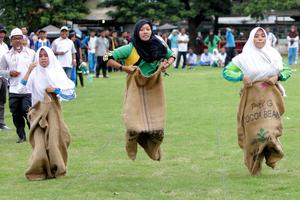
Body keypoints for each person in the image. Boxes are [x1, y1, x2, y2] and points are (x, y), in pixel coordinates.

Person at [222, 27, 291, 176]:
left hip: (270, 98)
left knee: (270, 131)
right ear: (252, 39)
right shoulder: (244, 57)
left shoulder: (273, 55)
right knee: (253, 135)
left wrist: (277, 77)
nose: (260, 38)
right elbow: (227, 71)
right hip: (251, 99)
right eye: (257, 36)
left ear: (266, 38)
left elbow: (286, 71)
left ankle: (272, 155)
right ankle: (254, 164)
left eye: (262, 36)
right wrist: (242, 77)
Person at [105, 19, 175, 161]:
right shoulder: (130, 48)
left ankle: (153, 150)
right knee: (133, 126)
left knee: (157, 129)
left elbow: (172, 55)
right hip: (135, 89)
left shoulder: (158, 44)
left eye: (148, 29)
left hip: (154, 88)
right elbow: (107, 57)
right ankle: (131, 147)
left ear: (151, 31)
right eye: (142, 29)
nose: (145, 32)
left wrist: (168, 63)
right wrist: (123, 68)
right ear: (137, 32)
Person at [18, 46, 75, 180]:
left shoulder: (56, 72)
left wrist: (56, 90)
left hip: (53, 113)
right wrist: (29, 70)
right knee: (39, 146)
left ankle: (57, 168)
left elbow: (70, 94)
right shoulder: (33, 73)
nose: (43, 58)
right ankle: (38, 171)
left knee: (54, 143)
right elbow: (20, 89)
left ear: (50, 57)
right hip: (37, 114)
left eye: (45, 55)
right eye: (40, 56)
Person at [0, 28, 35, 143]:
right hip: (13, 89)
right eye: (15, 39)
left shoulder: (31, 53)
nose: (18, 41)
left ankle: (33, 133)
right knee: (15, 114)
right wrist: (9, 73)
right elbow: (1, 70)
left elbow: (37, 69)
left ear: (23, 39)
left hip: (28, 89)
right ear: (11, 41)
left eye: (20, 38)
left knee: (27, 111)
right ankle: (21, 136)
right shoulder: (6, 55)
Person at [0, 24, 10, 130]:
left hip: (4, 77)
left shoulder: (5, 46)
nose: (1, 35)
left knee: (2, 101)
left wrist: (7, 77)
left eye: (3, 33)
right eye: (0, 33)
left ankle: (1, 123)